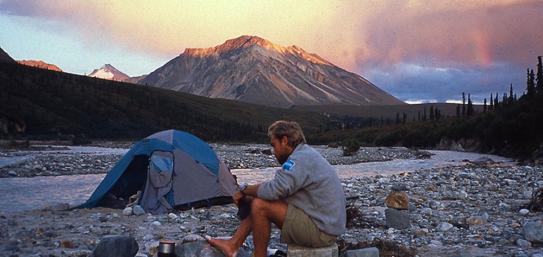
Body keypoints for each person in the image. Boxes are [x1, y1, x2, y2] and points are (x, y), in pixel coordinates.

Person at [207, 120, 346, 257]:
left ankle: (258, 255)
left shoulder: (299, 159)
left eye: (274, 145)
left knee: (260, 205)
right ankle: (233, 244)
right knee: (259, 198)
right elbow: (279, 189)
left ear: (284, 140)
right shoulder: (305, 155)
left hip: (321, 231)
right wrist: (251, 195)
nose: (273, 152)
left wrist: (244, 189)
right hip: (326, 225)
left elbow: (275, 190)